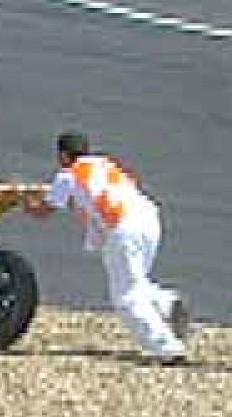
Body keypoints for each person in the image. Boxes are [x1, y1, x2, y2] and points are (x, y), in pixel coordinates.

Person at [28, 132, 190, 365]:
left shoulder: (68, 175)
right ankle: (168, 303)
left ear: (63, 155)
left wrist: (21, 202)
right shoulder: (103, 163)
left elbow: (44, 211)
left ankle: (167, 348)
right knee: (134, 281)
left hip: (123, 227)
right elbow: (87, 197)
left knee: (126, 297)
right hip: (148, 217)